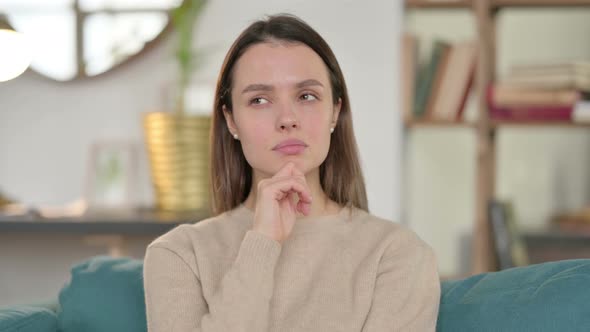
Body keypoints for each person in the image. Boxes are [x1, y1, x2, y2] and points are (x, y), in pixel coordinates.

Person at [143, 14, 440, 331]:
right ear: (231, 120)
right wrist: (262, 242)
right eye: (259, 100)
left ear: (335, 112)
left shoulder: (397, 254)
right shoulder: (178, 255)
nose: (287, 118)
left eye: (306, 96)